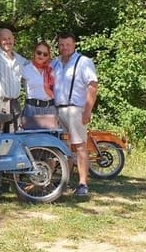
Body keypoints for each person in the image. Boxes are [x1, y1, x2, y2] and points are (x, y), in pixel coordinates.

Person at [52, 32, 98, 197]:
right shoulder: (55, 63)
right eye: (62, 45)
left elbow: (92, 86)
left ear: (74, 45)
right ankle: (65, 181)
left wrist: (87, 110)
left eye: (68, 45)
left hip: (75, 109)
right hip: (58, 110)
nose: (64, 48)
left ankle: (83, 183)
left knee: (79, 146)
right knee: (63, 148)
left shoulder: (83, 62)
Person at [0, 28, 28, 138]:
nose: (7, 41)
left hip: (14, 104)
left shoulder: (20, 60)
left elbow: (34, 72)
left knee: (14, 136)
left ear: (13, 40)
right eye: (4, 39)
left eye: (9, 38)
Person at [20, 41, 58, 130]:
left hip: (50, 109)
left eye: (45, 54)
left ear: (48, 56)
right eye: (39, 53)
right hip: (32, 109)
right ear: (34, 52)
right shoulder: (25, 69)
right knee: (31, 141)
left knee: (50, 140)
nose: (41, 56)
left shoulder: (52, 69)